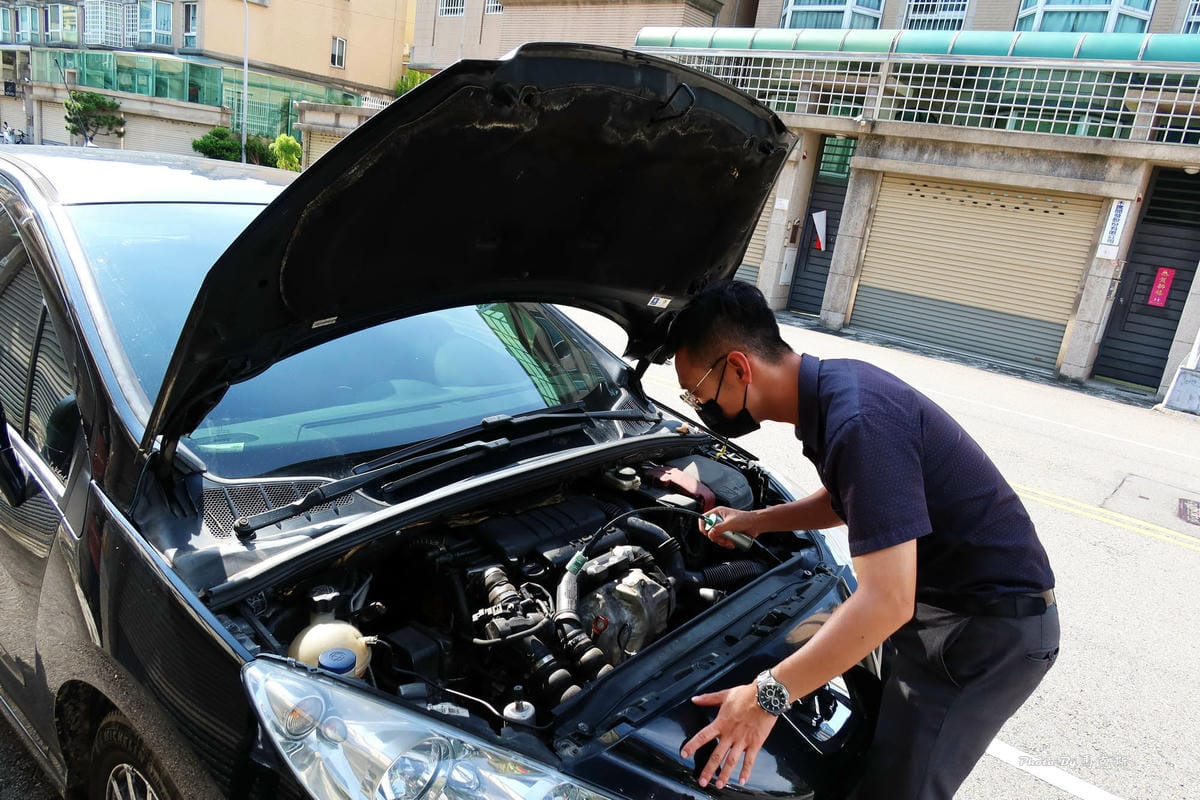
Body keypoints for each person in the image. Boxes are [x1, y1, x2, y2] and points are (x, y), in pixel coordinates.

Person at [671, 281, 1059, 799]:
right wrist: (752, 521)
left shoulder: (856, 421)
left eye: (697, 392)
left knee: (900, 790)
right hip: (943, 608)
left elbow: (886, 601)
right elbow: (845, 500)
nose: (698, 405)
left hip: (984, 631)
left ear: (740, 368)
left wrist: (765, 697)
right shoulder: (834, 391)